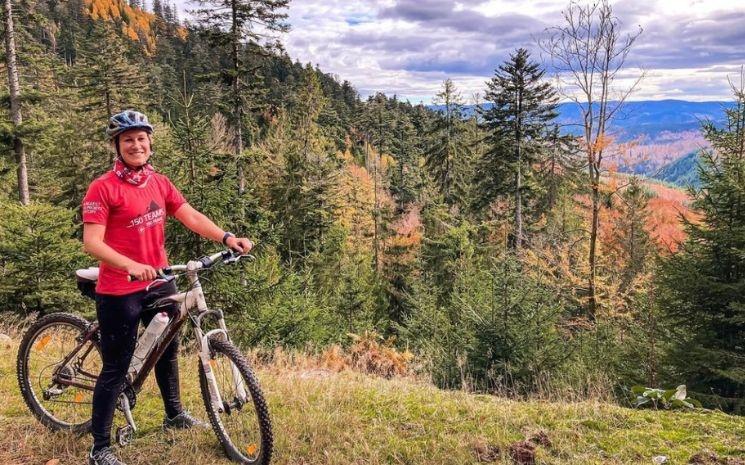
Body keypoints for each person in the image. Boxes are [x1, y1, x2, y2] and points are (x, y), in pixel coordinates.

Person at [82, 110, 253, 465]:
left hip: (160, 279)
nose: (136, 145)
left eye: (141, 138)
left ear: (150, 143)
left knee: (167, 349)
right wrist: (129, 265)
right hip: (119, 287)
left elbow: (188, 215)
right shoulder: (103, 187)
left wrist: (226, 237)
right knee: (116, 366)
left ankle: (173, 415)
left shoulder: (159, 182)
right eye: (128, 139)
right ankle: (99, 448)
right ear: (117, 146)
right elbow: (92, 242)